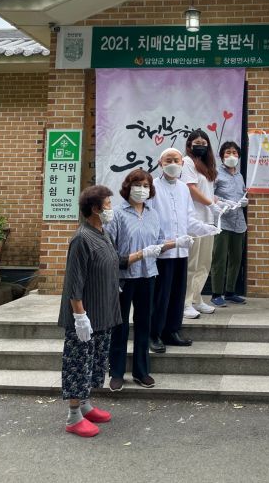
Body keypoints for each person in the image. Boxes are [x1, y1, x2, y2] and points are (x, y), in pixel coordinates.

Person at [105, 168, 188, 392]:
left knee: (144, 324)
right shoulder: (118, 214)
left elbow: (159, 245)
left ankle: (142, 371)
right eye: (137, 185)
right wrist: (137, 255)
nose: (142, 189)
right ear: (127, 187)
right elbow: (109, 250)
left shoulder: (153, 213)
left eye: (146, 186)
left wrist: (178, 242)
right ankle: (116, 372)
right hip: (123, 278)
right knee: (120, 325)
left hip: (148, 275)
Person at [58, 185, 121, 438]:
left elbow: (113, 262)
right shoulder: (81, 238)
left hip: (103, 312)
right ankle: (74, 416)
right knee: (78, 363)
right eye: (107, 203)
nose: (110, 208)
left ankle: (85, 405)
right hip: (85, 316)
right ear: (94, 208)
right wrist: (79, 316)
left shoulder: (103, 233)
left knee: (94, 363)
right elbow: (74, 282)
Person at [150, 148, 219, 353]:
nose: (173, 163)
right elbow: (149, 219)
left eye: (176, 160)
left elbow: (189, 219)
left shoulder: (183, 188)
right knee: (160, 295)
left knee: (177, 294)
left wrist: (207, 228)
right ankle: (154, 334)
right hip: (162, 251)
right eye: (168, 160)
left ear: (182, 163)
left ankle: (172, 331)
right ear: (160, 163)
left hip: (181, 251)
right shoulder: (152, 187)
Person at [182, 129, 223, 319]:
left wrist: (218, 201)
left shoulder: (207, 166)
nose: (200, 145)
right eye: (196, 142)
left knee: (204, 263)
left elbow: (206, 191)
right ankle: (185, 303)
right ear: (190, 145)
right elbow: (191, 189)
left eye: (204, 142)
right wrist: (210, 204)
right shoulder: (188, 162)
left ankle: (197, 299)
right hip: (193, 221)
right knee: (192, 263)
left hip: (208, 221)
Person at [210, 141, 248, 307]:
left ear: (238, 156)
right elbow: (209, 195)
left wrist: (244, 201)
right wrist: (224, 202)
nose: (231, 156)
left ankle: (230, 292)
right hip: (222, 222)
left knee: (236, 258)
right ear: (222, 156)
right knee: (219, 258)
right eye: (227, 153)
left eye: (234, 153)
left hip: (239, 223)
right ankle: (216, 293)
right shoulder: (216, 174)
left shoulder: (239, 176)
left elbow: (242, 195)